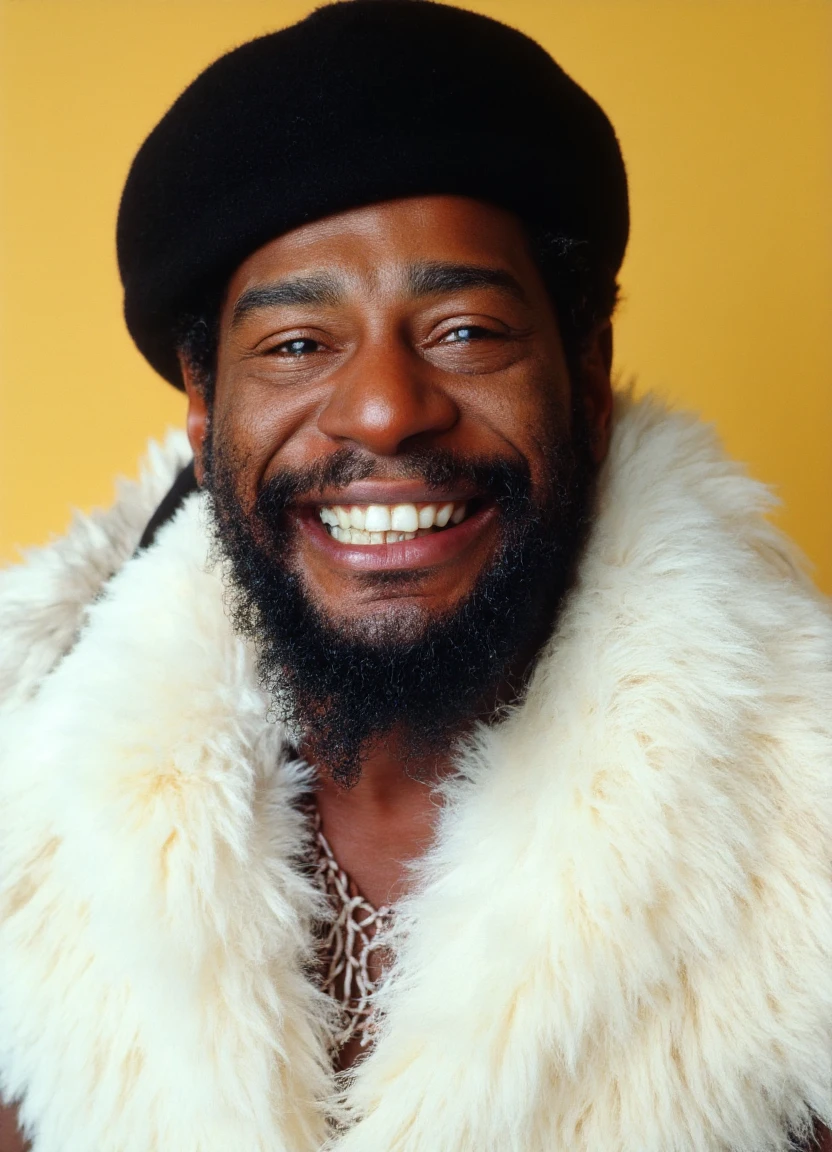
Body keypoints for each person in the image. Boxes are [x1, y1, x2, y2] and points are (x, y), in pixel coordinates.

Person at [1, 2, 830, 1149]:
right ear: (203, 415)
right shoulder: (30, 826)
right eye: (297, 345)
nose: (386, 409)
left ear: (585, 378)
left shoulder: (806, 855)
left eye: (464, 331)